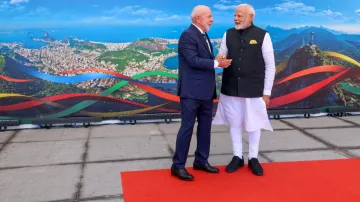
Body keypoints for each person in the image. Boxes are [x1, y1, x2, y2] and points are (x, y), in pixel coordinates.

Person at [212, 3, 276, 176]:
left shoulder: (263, 35)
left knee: (253, 123)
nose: (236, 18)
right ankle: (237, 156)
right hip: (230, 87)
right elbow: (221, 54)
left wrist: (267, 92)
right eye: (235, 15)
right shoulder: (228, 34)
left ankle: (253, 158)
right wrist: (220, 57)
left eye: (240, 16)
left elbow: (270, 66)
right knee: (234, 122)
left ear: (251, 17)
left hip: (254, 89)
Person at [171, 5, 232, 181]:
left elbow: (203, 59)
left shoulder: (203, 34)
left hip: (206, 91)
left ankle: (201, 160)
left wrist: (215, 60)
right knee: (187, 128)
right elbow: (192, 60)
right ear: (198, 18)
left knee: (205, 128)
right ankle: (178, 165)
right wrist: (217, 64)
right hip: (191, 92)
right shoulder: (187, 35)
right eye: (209, 16)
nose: (212, 19)